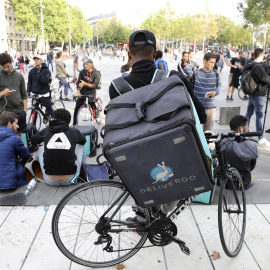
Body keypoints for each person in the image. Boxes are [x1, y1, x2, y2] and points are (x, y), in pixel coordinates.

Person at [109, 29, 206, 220]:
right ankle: (161, 213)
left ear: (129, 54)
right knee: (178, 177)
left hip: (135, 155)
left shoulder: (116, 87)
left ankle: (142, 216)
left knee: (142, 180)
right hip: (170, 152)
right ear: (155, 53)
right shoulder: (174, 77)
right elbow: (201, 114)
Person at [30, 109, 86, 186]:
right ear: (68, 121)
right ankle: (83, 172)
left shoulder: (46, 130)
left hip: (49, 180)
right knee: (80, 146)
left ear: (54, 118)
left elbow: (33, 140)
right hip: (71, 179)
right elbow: (83, 141)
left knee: (41, 148)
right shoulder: (74, 131)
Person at [184, 52, 221, 132]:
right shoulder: (197, 73)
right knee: (199, 135)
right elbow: (186, 69)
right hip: (198, 109)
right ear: (204, 61)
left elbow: (219, 86)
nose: (213, 65)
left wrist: (215, 92)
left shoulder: (216, 73)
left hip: (211, 109)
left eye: (214, 63)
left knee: (208, 134)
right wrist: (195, 63)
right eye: (211, 62)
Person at [222, 115, 258, 189]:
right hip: (244, 182)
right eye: (246, 127)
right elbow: (252, 167)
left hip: (225, 182)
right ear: (240, 128)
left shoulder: (222, 143)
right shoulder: (252, 145)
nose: (247, 129)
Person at [244, 48, 270, 146]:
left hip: (251, 91)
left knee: (249, 113)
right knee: (259, 116)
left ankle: (244, 132)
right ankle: (260, 137)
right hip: (258, 93)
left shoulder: (250, 63)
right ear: (261, 55)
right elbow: (265, 79)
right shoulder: (258, 66)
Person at [0, 111, 31, 190]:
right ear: (9, 124)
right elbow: (27, 157)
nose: (18, 126)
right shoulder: (14, 138)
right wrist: (24, 147)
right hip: (8, 183)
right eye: (16, 123)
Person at [0, 53, 27, 137]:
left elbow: (24, 94)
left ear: (11, 62)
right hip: (4, 113)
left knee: (19, 134)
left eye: (7, 66)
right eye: (3, 67)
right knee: (5, 136)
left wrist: (24, 111)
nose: (5, 69)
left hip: (19, 111)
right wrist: (3, 93)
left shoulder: (19, 76)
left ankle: (18, 150)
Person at [73, 59, 101, 125]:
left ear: (91, 65)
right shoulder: (82, 72)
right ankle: (74, 124)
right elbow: (79, 82)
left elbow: (94, 85)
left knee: (92, 101)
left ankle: (95, 109)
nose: (85, 65)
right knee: (77, 107)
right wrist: (78, 91)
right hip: (84, 90)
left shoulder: (96, 73)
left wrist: (85, 83)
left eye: (87, 64)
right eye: (84, 64)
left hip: (92, 90)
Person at [27, 54, 54, 119]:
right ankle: (33, 127)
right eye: (35, 60)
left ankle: (55, 122)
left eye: (37, 59)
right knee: (34, 112)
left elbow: (45, 81)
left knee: (49, 109)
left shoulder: (46, 70)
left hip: (44, 94)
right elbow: (29, 82)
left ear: (41, 60)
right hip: (35, 94)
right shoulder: (32, 71)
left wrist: (39, 73)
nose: (36, 61)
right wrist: (28, 91)